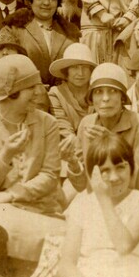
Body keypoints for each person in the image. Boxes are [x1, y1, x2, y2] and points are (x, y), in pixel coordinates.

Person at [0, 54, 65, 262]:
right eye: (31, 87)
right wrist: (6, 155)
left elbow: (50, 176)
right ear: (11, 94)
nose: (39, 93)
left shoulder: (48, 123)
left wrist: (10, 195)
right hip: (0, 212)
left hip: (43, 210)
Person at [59, 133, 139, 277]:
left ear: (131, 168)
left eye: (120, 168)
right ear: (93, 174)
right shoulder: (82, 202)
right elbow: (67, 263)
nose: (114, 177)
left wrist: (104, 198)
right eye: (105, 170)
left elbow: (124, 246)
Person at [68, 62, 139, 192]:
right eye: (98, 92)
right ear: (91, 98)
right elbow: (82, 186)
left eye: (113, 91)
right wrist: (73, 163)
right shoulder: (86, 124)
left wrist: (112, 143)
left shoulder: (138, 123)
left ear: (122, 98)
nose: (105, 98)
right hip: (96, 197)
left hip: (128, 198)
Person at [5, 0, 80, 87]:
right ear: (31, 1)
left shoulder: (70, 33)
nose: (46, 3)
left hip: (62, 94)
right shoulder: (14, 28)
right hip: (26, 93)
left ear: (57, 4)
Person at [47, 43, 97, 180]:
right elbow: (64, 131)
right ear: (66, 71)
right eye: (75, 67)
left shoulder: (98, 91)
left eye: (85, 67)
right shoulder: (55, 94)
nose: (80, 73)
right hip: (69, 156)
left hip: (100, 154)